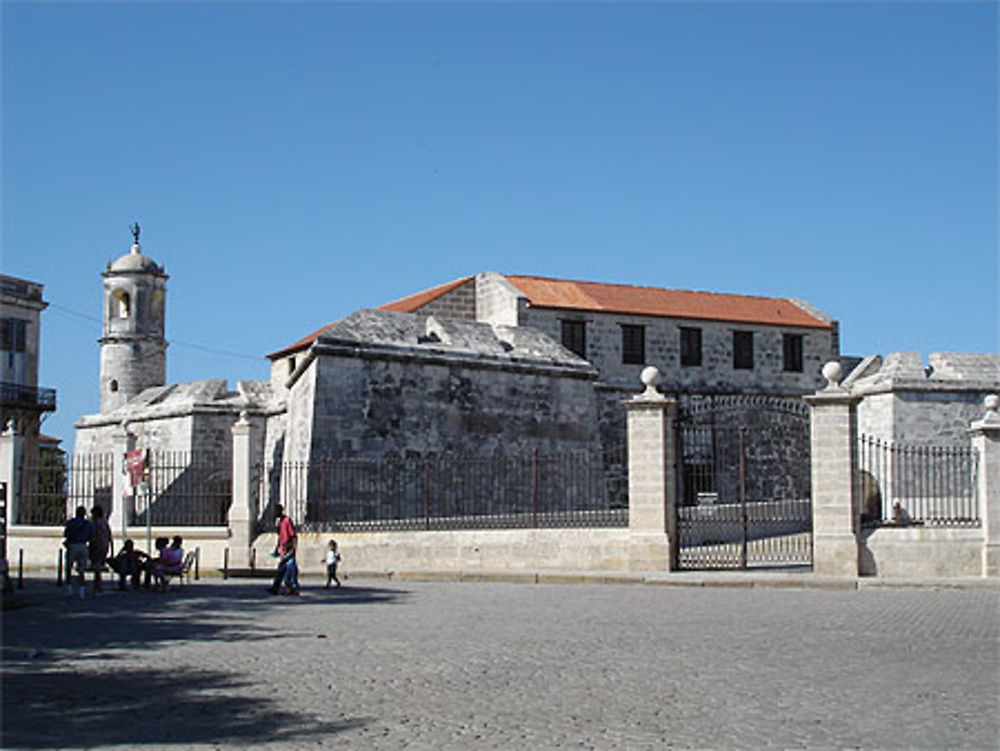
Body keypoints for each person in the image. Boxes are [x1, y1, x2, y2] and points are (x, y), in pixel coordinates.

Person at [63, 506, 94, 599]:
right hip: (83, 545)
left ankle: (69, 588)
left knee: (69, 567)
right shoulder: (88, 524)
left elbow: (66, 534)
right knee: (82, 569)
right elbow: (90, 536)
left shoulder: (71, 523)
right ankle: (82, 590)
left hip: (72, 545)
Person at [267, 504, 296, 595]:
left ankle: (289, 588)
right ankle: (277, 587)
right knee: (282, 569)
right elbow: (280, 537)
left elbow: (293, 535)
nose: (274, 514)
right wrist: (277, 547)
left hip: (288, 548)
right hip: (283, 548)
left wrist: (293, 548)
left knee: (288, 569)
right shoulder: (280, 522)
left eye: (275, 512)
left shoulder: (287, 521)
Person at [88, 505, 113, 593]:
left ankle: (97, 584)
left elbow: (91, 534)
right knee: (99, 565)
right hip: (104, 545)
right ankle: (98, 584)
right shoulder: (105, 523)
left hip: (96, 545)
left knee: (96, 565)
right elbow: (109, 535)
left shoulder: (93, 523)